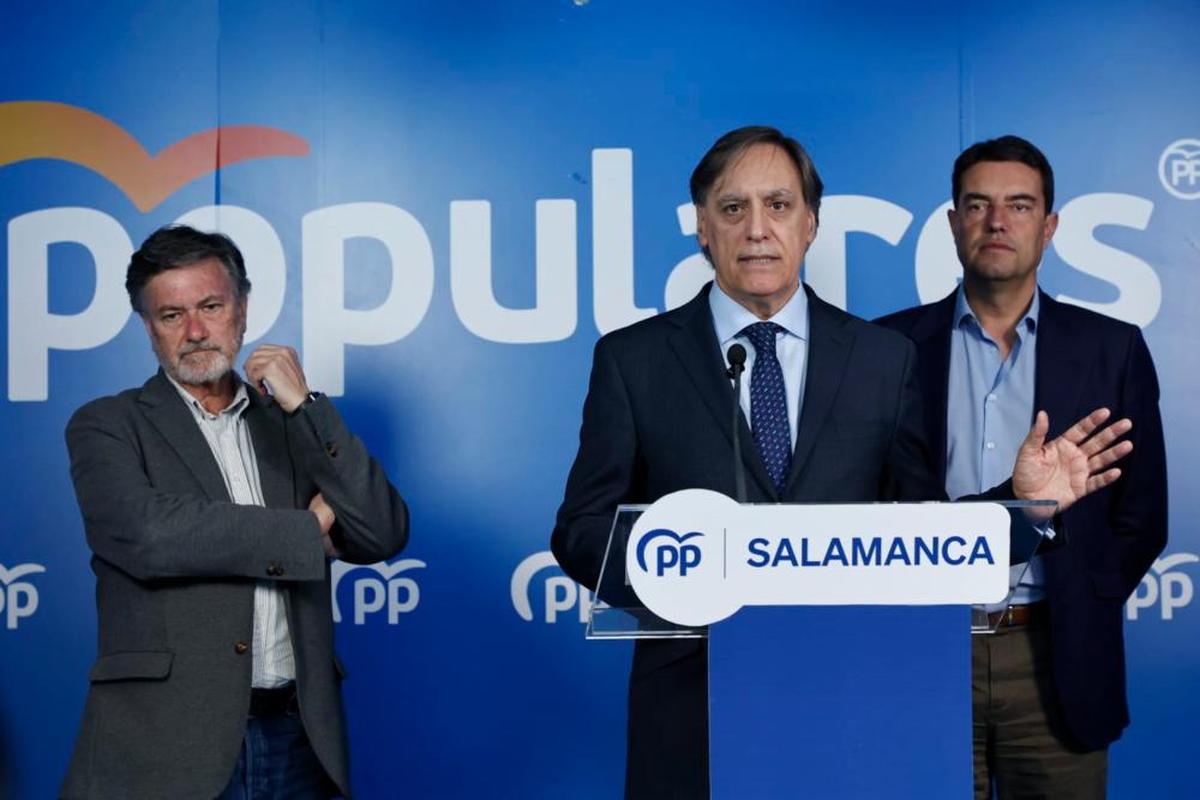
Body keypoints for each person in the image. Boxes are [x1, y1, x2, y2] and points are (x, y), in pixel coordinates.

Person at [551, 126, 1135, 799]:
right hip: (693, 708)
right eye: (733, 209)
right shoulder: (634, 359)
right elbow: (582, 528)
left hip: (850, 702)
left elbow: (921, 531)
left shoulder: (881, 359)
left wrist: (1022, 504)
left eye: (779, 205)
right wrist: (677, 569)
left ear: (811, 224)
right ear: (702, 228)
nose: (758, 229)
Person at [61, 225, 409, 799]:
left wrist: (305, 404)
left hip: (301, 739)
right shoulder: (106, 424)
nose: (195, 331)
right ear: (149, 328)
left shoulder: (292, 425)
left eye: (210, 306)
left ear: (242, 309)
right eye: (171, 316)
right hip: (164, 744)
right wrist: (311, 528)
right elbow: (153, 537)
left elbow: (382, 530)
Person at [876, 135, 1167, 799]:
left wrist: (1079, 602)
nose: (997, 222)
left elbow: (1141, 517)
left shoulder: (1111, 349)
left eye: (1019, 205)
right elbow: (872, 496)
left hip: (1055, 660)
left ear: (1050, 226)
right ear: (953, 225)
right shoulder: (886, 347)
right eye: (977, 205)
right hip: (922, 652)